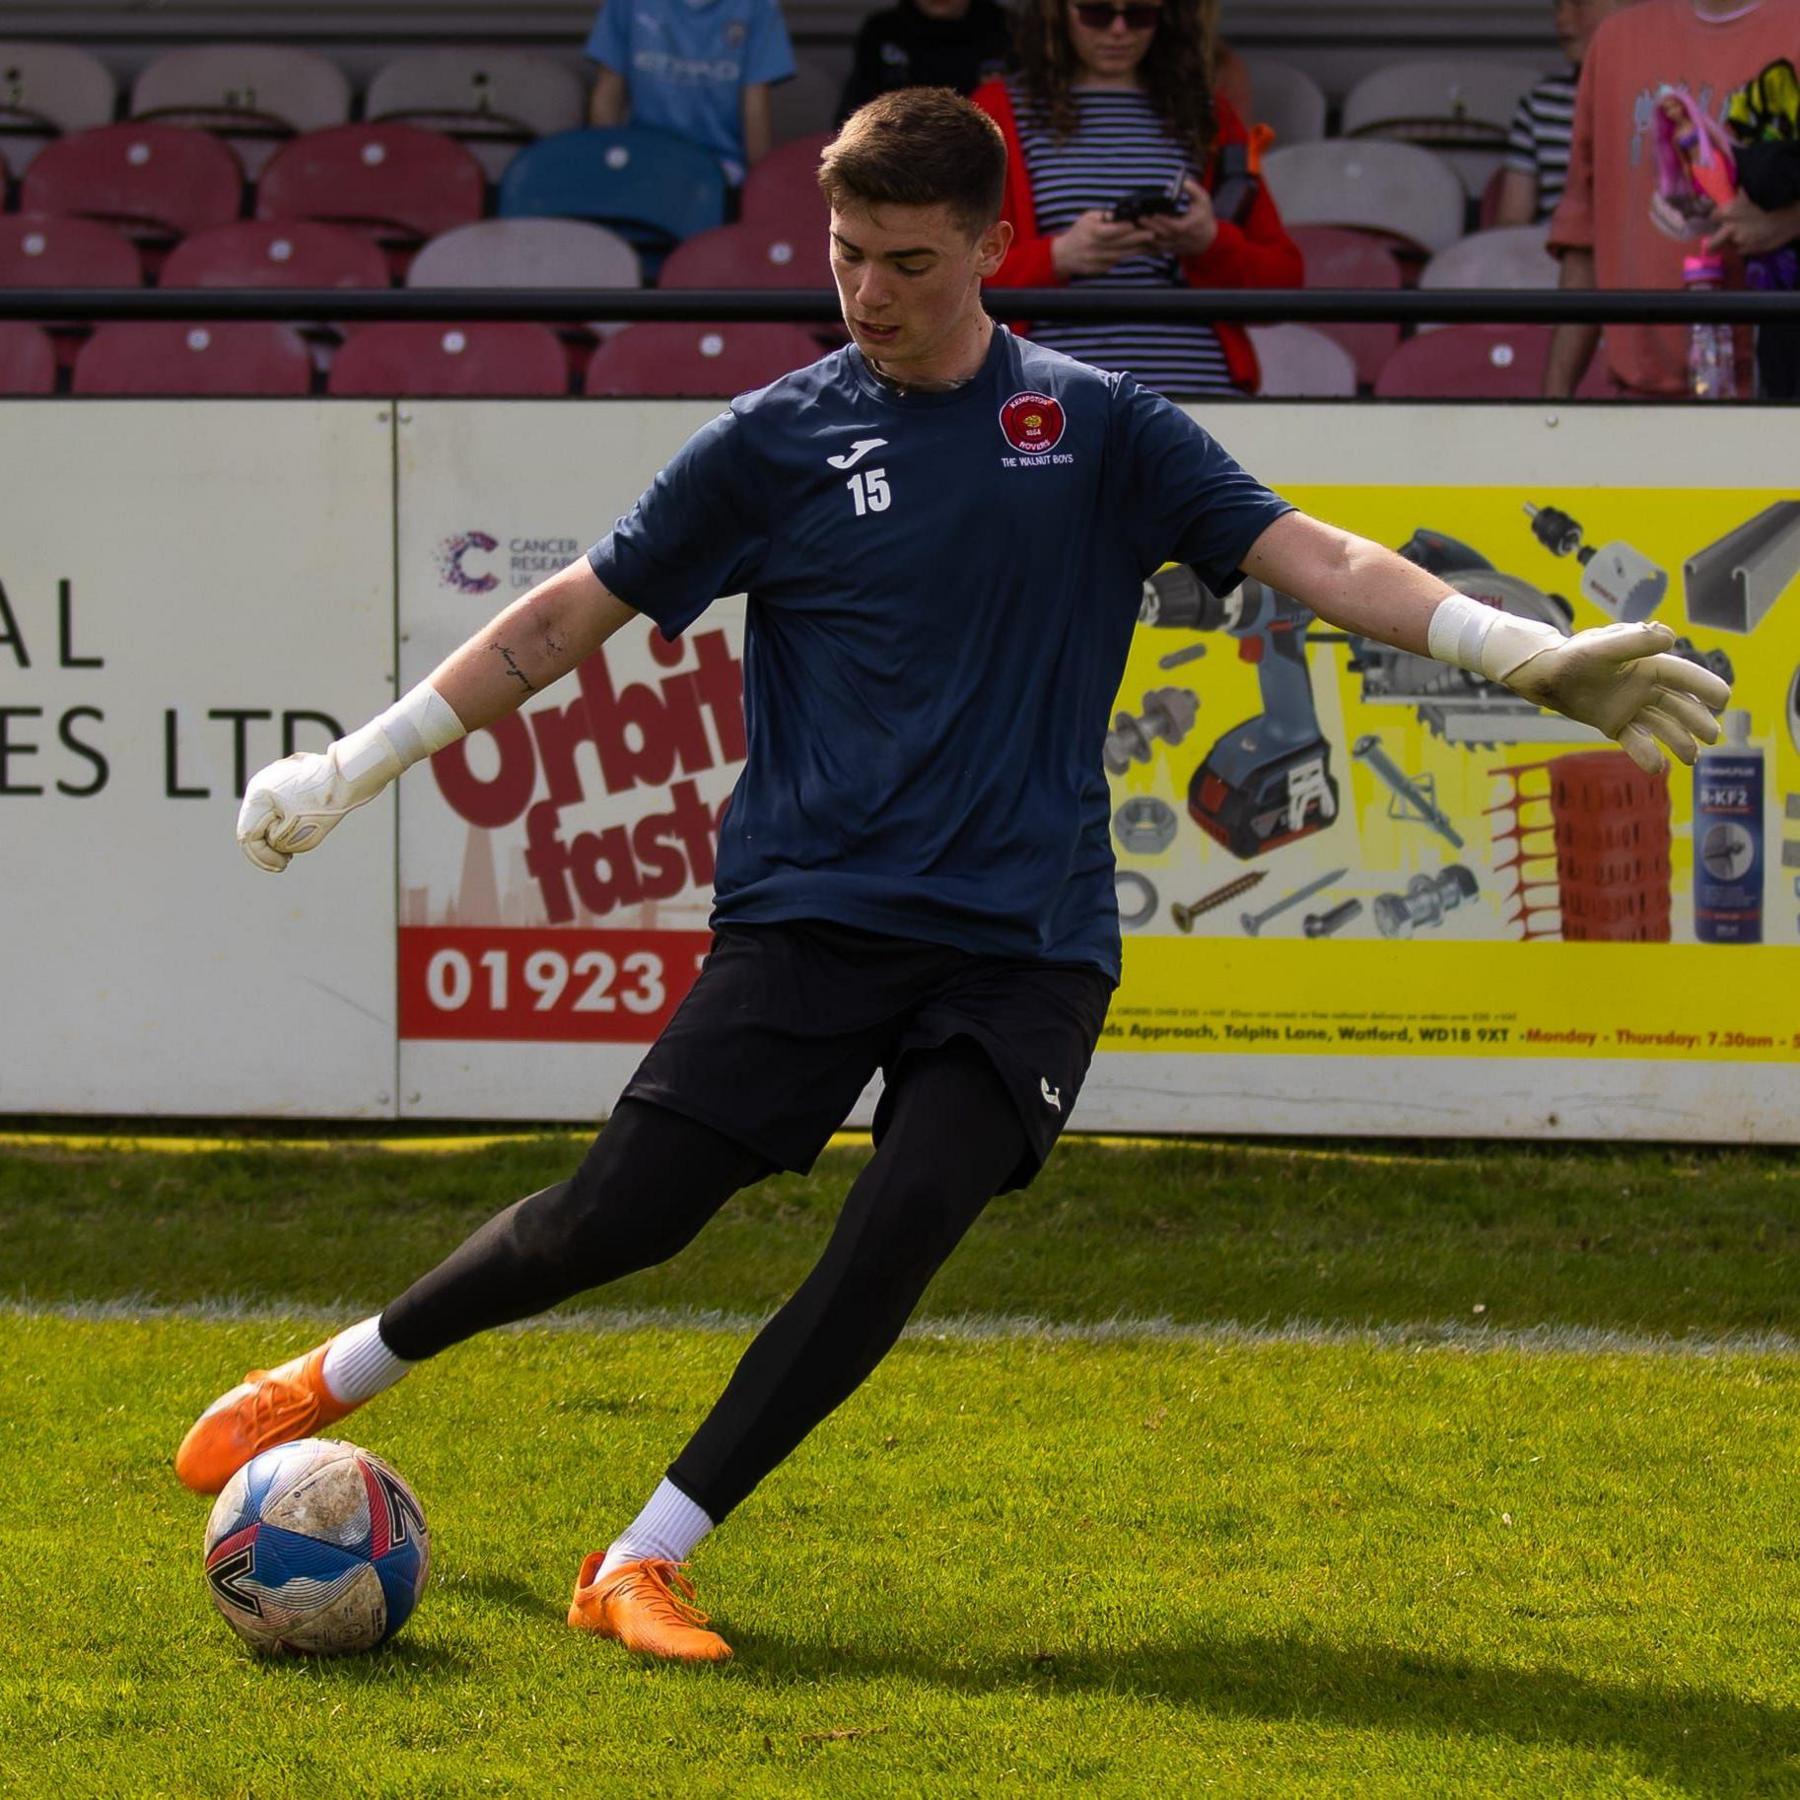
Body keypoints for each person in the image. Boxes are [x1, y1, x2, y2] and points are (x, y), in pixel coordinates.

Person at [178, 88, 1728, 1665]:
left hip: (1025, 943)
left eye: (908, 260)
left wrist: (1522, 650)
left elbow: (1312, 555)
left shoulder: (1104, 426)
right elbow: (562, 619)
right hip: (810, 917)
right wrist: (355, 763)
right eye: (847, 254)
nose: (869, 293)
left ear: (996, 244)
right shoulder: (773, 440)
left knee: (897, 1230)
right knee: (615, 1219)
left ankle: (642, 1556)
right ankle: (337, 1375)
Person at [972, 0, 1301, 398]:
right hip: (1055, 391)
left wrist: (1209, 245)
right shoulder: (996, 111)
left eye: (1140, 14)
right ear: (1056, 13)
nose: (1118, 30)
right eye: (1097, 12)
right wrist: (1059, 257)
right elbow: (951, 269)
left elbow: (1285, 278)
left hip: (1197, 383)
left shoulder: (1210, 112)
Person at [1544, 0, 1800, 397]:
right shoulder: (1615, 40)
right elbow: (1584, 238)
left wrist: (1788, 222)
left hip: (1777, 398)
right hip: (1639, 398)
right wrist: (1551, 407)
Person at [585, 0, 795, 184]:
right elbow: (608, 94)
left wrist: (758, 190)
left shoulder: (757, 5)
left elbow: (755, 111)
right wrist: (607, 164)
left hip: (721, 167)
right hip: (641, 159)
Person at [1495, 0, 1628, 227]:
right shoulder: (1539, 104)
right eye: (1558, 5)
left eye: (1579, 4)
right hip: (1550, 257)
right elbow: (1512, 222)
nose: (1561, 19)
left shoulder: (1665, 101)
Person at [836, 0, 1014, 122]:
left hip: (990, 155)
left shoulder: (1007, 30)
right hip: (900, 157)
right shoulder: (882, 32)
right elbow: (854, 115)